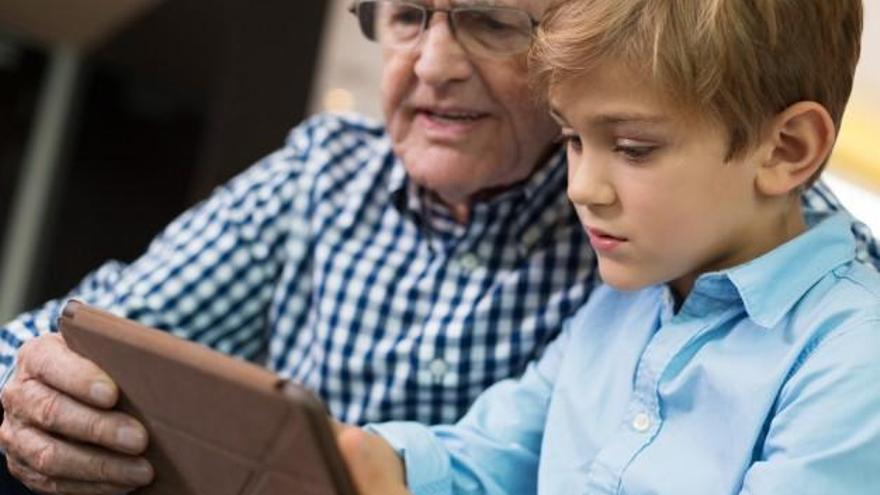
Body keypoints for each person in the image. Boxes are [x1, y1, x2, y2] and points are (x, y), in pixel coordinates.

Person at [0, 0, 876, 493]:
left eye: (488, 22)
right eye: (408, 16)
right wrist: (357, 458)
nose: (431, 66)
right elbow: (488, 451)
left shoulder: (693, 248)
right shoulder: (634, 286)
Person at [334, 0, 880, 493]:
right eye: (573, 139)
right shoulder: (626, 299)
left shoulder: (852, 359)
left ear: (786, 150)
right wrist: (375, 461)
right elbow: (489, 459)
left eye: (633, 148)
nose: (581, 188)